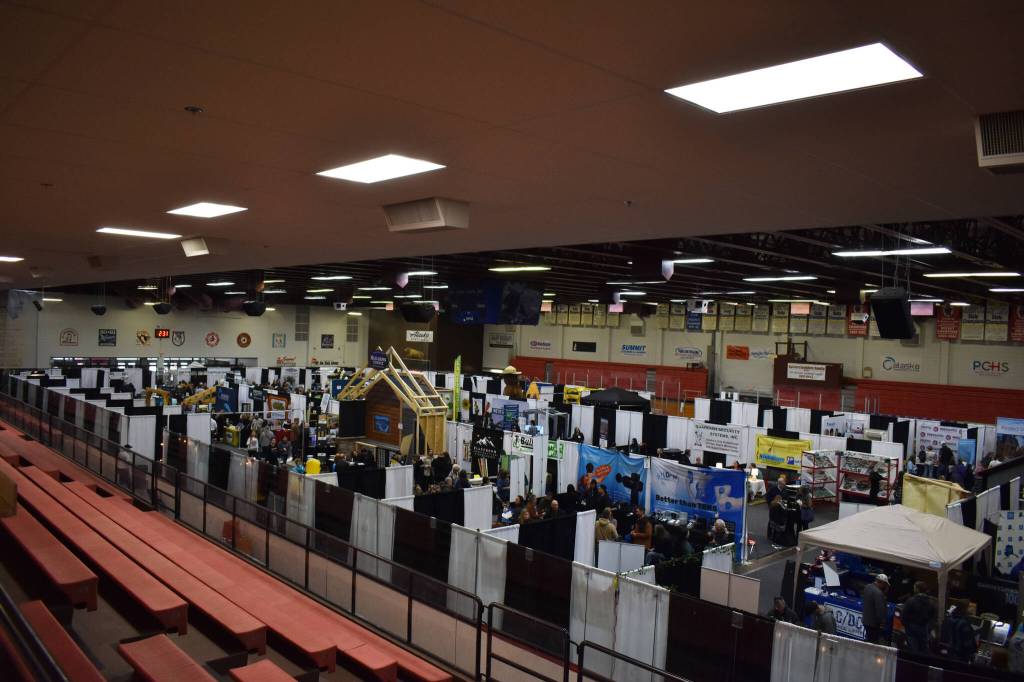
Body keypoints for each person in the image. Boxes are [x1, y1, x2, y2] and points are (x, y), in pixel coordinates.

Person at [901, 581, 936, 654]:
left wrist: (906, 626)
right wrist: (929, 628)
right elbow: (933, 618)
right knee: (923, 649)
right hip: (924, 628)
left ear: (917, 589)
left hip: (911, 628)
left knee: (913, 649)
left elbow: (904, 615)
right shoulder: (931, 602)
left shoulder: (911, 601)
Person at [861, 574, 890, 644]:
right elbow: (880, 610)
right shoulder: (878, 593)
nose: (885, 586)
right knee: (873, 642)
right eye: (885, 584)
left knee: (869, 639)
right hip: (873, 623)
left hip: (866, 619)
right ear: (882, 582)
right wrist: (882, 623)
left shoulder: (867, 586)